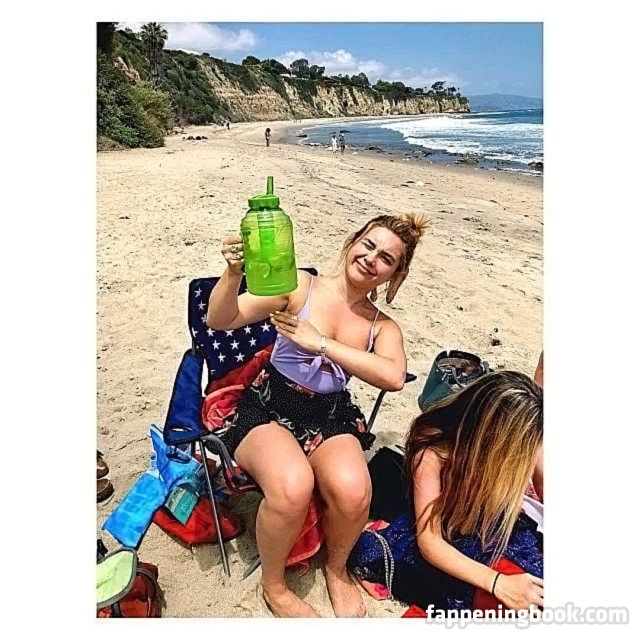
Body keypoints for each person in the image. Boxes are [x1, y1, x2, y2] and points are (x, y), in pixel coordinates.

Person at [206, 214, 429, 617]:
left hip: (328, 413)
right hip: (270, 403)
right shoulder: (299, 286)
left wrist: (320, 342)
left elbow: (394, 376)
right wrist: (233, 273)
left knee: (354, 491)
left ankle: (336, 568)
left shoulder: (382, 326)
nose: (371, 259)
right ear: (352, 241)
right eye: (368, 245)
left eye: (386, 258)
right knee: (293, 486)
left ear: (395, 275)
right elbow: (220, 320)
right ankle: (274, 585)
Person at [348, 371, 544, 613]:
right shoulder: (434, 452)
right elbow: (430, 541)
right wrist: (497, 583)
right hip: (445, 535)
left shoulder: (524, 433)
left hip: (490, 525)